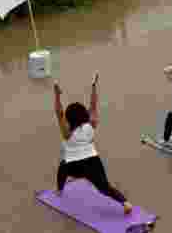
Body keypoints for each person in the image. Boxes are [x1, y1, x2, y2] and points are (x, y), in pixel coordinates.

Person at [53, 76, 134, 216]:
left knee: (62, 167)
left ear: (68, 118)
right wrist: (93, 87)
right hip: (93, 161)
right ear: (84, 114)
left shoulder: (67, 132)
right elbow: (93, 105)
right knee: (104, 187)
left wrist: (57, 95)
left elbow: (58, 112)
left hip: (74, 165)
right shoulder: (91, 125)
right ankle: (125, 203)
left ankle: (60, 190)